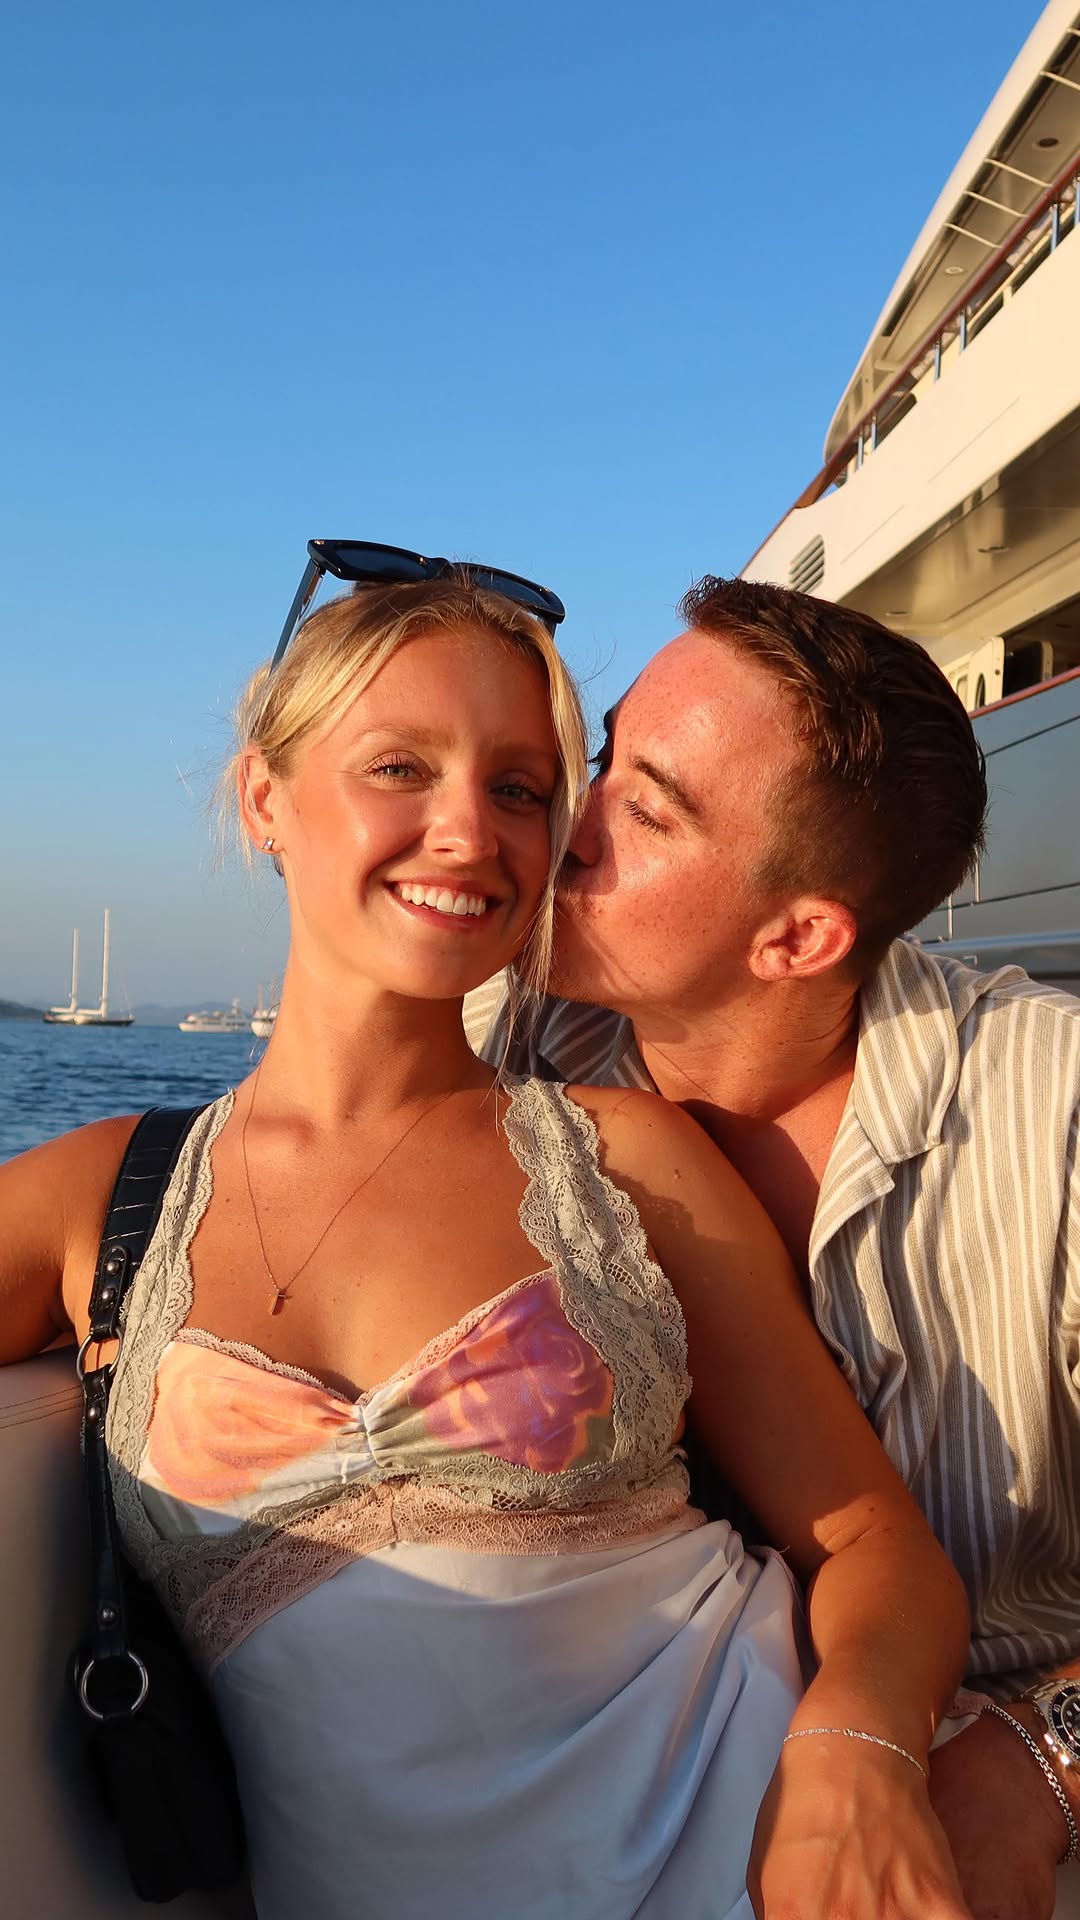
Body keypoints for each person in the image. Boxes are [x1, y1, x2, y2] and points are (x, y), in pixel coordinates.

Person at [0, 566, 972, 1920]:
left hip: (769, 1846)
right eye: (401, 767)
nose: (470, 830)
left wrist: (856, 1751)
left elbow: (874, 1543)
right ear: (266, 798)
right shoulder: (103, 1199)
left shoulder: (624, 1159)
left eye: (521, 788)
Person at [466, 574, 1080, 1920]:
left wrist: (1037, 1769)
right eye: (605, 759)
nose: (569, 821)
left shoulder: (1057, 1115)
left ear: (800, 936)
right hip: (628, 1783)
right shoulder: (503, 1050)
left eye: (648, 809)